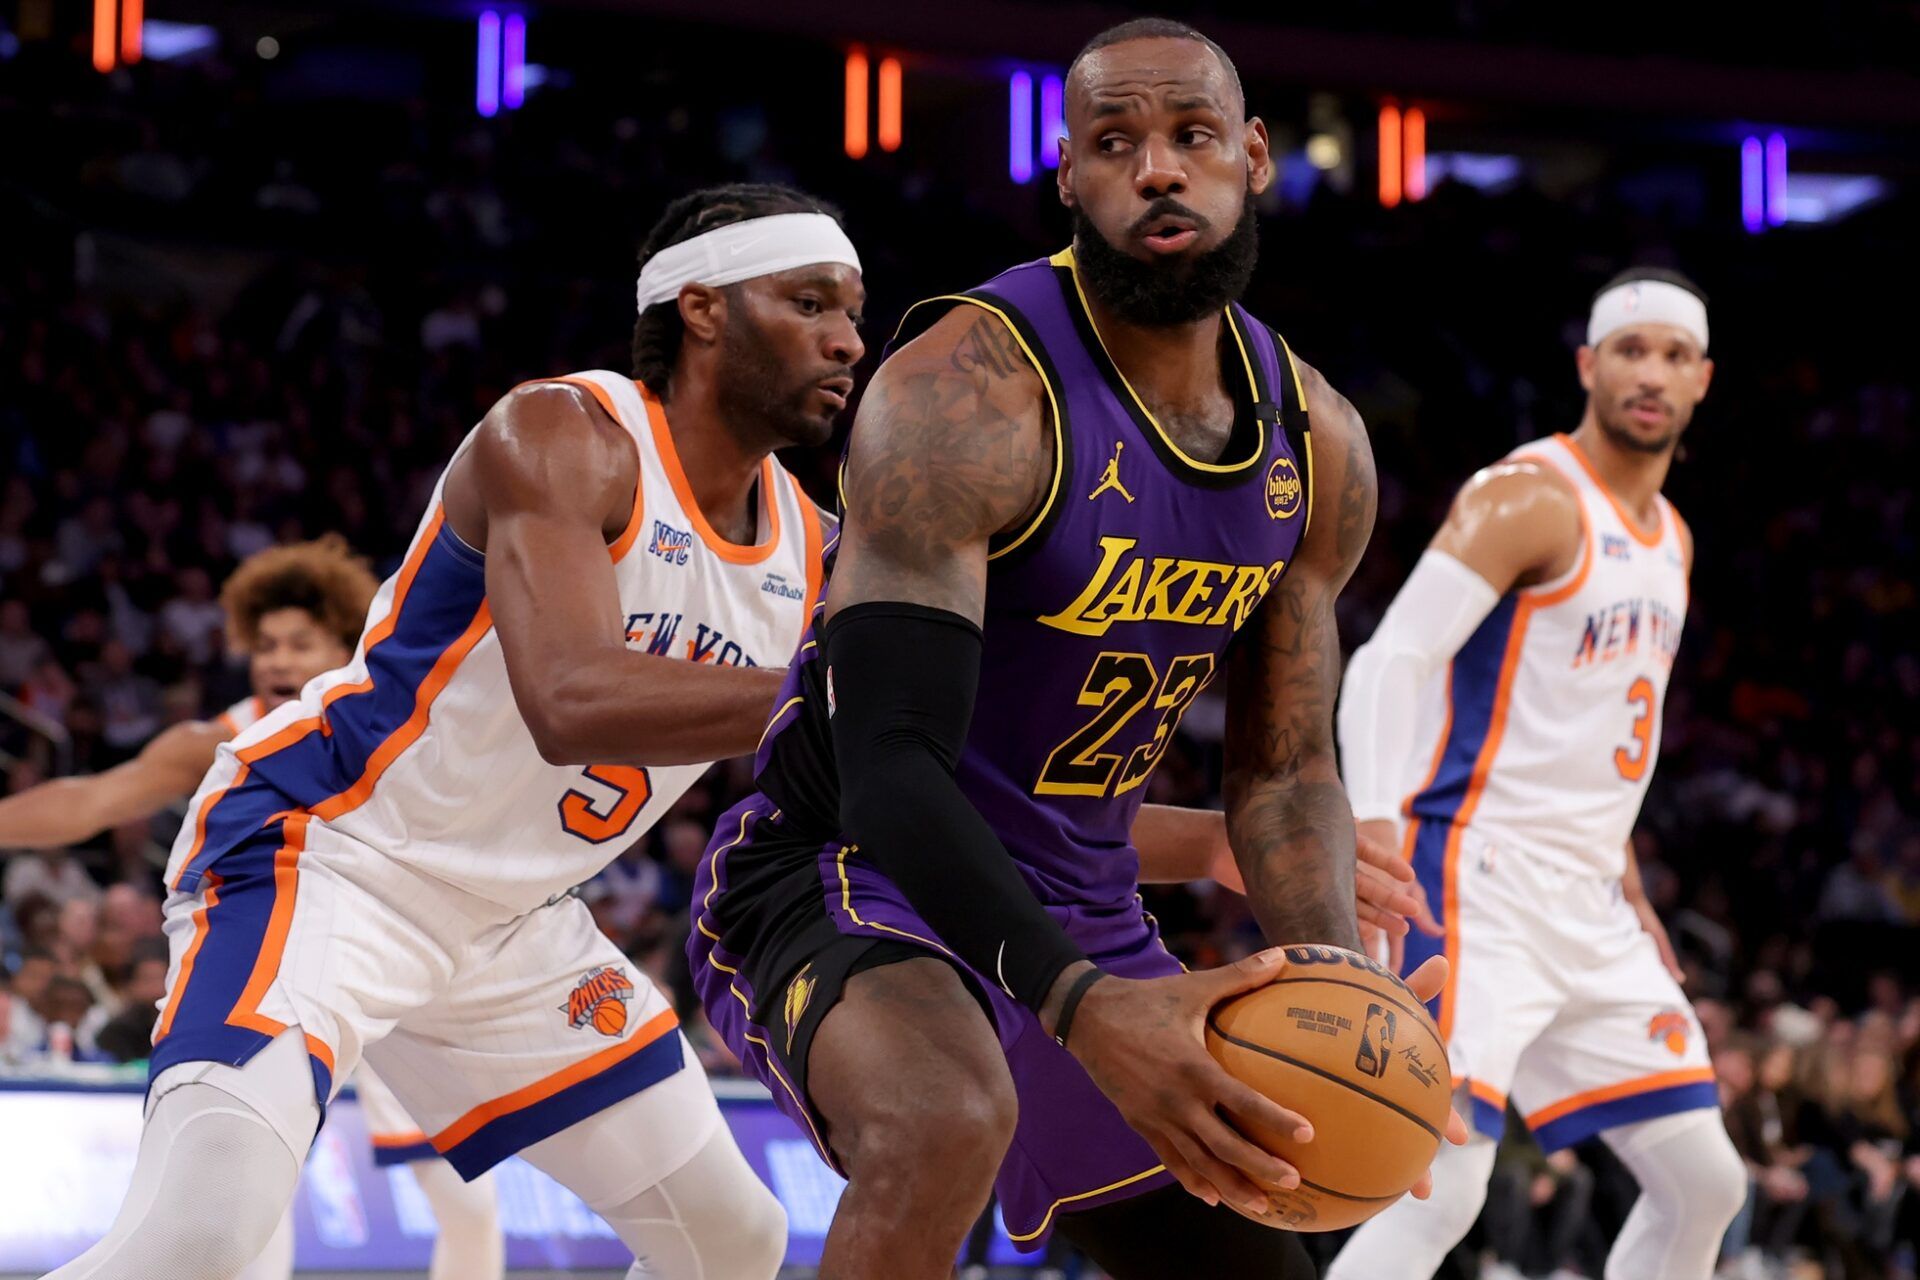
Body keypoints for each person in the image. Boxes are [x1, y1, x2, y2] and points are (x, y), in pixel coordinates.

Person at [689, 20, 1460, 1280]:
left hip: (1088, 909)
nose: (1157, 169)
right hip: (847, 877)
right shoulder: (965, 391)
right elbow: (890, 768)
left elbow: (1286, 772)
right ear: (1068, 178)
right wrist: (1085, 1009)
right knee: (944, 1119)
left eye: (1191, 136)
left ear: (1255, 157)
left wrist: (1338, 988)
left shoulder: (1316, 444)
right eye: (1115, 142)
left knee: (1262, 1237)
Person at [41, 181, 871, 1280]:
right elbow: (570, 698)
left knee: (734, 1238)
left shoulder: (818, 554)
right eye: (811, 301)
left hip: (512, 923)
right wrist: (845, 692)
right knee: (202, 1237)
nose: (848, 339)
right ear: (704, 306)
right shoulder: (568, 433)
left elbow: (945, 753)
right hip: (331, 853)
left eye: (853, 310)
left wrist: (1177, 837)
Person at [1326, 268, 1748, 1280]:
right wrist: (1376, 822)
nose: (1651, 373)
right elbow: (1391, 658)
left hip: (1589, 895)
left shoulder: (1674, 538)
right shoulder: (1530, 495)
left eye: (1674, 355)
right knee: (1444, 1181)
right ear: (1587, 366)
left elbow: (1599, 736)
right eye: (1631, 350)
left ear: (1703, 380)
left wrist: (1631, 876)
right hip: (1473, 874)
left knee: (1705, 1180)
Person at [2, 539, 505, 1280]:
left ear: (351, 644)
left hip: (391, 974)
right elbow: (90, 801)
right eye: (264, 645)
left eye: (300, 643)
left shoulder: (403, 727)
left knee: (470, 1206)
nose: (275, 661)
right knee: (248, 1217)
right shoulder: (220, 738)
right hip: (273, 978)